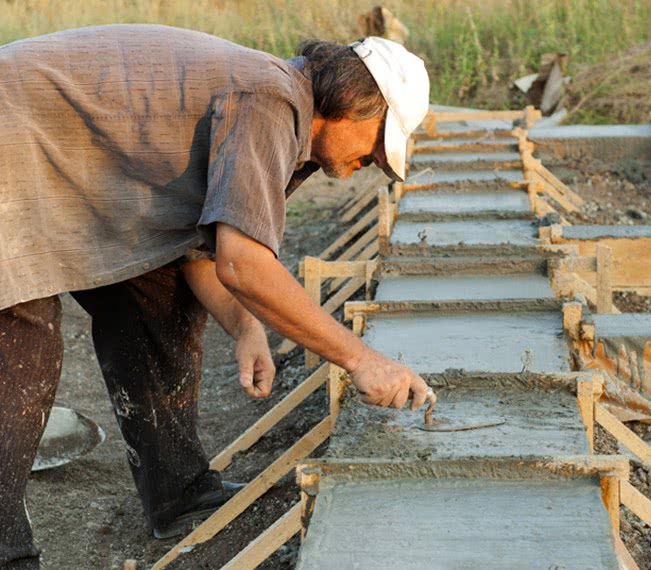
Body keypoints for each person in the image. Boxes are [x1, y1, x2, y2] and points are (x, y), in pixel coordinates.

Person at [0, 24, 430, 569]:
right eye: (375, 148)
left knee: (158, 293)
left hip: (59, 159)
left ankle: (179, 494)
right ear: (352, 103)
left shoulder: (281, 110)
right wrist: (360, 359)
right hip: (12, 134)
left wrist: (245, 326)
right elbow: (243, 264)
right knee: (22, 345)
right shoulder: (271, 101)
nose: (367, 165)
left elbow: (200, 250)